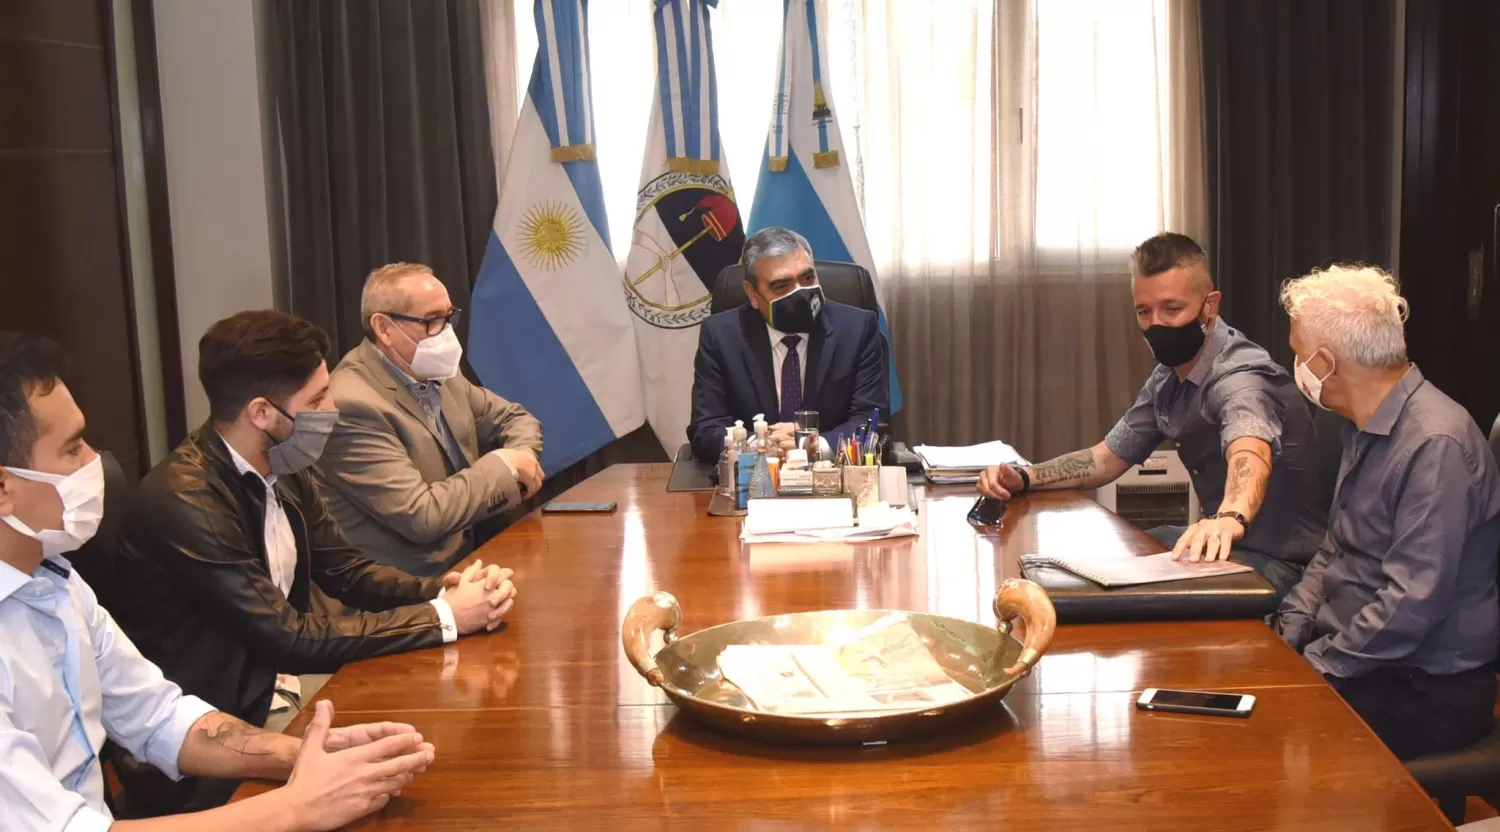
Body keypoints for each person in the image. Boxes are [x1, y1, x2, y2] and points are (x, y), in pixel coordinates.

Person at [0, 331, 436, 830]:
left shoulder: (57, 582)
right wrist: (298, 807)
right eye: (73, 449)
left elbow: (160, 716)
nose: (96, 464)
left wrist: (309, 754)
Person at [110, 310, 516, 812]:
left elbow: (347, 571)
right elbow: (290, 638)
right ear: (262, 413)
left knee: (444, 741)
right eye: (319, 399)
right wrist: (448, 618)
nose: (334, 409)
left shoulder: (283, 461)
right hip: (219, 732)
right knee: (433, 781)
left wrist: (444, 589)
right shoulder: (187, 501)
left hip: (280, 692)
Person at [978, 233, 1327, 598]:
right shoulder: (1169, 376)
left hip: (1284, 563)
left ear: (1210, 305)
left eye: (1172, 309)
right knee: (1095, 566)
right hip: (1224, 549)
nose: (1155, 324)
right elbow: (1105, 458)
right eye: (1144, 311)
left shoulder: (1242, 376)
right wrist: (1024, 477)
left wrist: (1229, 517)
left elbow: (1250, 448)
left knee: (1124, 602)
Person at [1273, 265, 1500, 761]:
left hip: (1425, 687)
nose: (1296, 368)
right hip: (1365, 662)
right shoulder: (1362, 426)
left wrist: (1315, 665)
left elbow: (1410, 604)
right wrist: (1288, 631)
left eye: (1297, 355)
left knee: (1267, 737)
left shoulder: (1434, 444)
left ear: (1326, 363)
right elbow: (1335, 549)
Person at [314, 262, 544, 577]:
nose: (446, 333)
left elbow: (514, 418)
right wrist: (504, 465)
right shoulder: (352, 405)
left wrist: (523, 455)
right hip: (411, 587)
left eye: (449, 317)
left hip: (479, 554)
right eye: (433, 320)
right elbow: (422, 516)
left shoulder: (439, 371)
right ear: (384, 329)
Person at [687, 227, 889, 462]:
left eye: (807, 278)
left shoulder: (858, 329)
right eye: (781, 286)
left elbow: (870, 421)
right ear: (752, 294)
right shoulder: (721, 335)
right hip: (753, 480)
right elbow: (706, 427)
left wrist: (811, 445)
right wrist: (761, 444)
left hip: (831, 478)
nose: (800, 293)